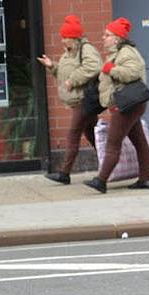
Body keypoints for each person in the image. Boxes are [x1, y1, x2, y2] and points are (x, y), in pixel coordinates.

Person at [83, 17, 149, 194]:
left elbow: (133, 72)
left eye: (107, 35)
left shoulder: (126, 52)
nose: (103, 37)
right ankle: (145, 179)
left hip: (126, 105)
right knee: (139, 141)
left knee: (113, 144)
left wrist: (111, 70)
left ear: (117, 38)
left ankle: (101, 180)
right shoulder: (118, 53)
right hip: (130, 105)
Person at [37, 14, 102, 185]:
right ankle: (111, 162)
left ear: (75, 37)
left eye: (66, 37)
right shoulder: (69, 52)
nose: (63, 41)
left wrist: (73, 80)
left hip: (84, 101)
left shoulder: (86, 49)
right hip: (77, 101)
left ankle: (64, 173)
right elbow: (64, 74)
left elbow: (94, 67)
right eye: (62, 37)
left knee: (73, 134)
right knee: (92, 134)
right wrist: (52, 66)